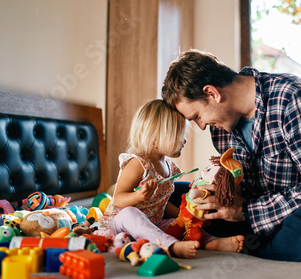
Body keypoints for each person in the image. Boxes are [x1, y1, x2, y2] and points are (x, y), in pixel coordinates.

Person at [161, 49, 301, 262]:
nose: (202, 125)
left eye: (197, 116)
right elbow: (241, 187)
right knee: (168, 194)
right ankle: (256, 243)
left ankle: (248, 247)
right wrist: (223, 194)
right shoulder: (221, 127)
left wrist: (245, 211)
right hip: (259, 215)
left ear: (212, 93)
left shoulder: (294, 98)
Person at [98, 99, 244, 259]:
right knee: (130, 213)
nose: (185, 140)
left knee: (181, 224)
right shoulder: (137, 164)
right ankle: (171, 246)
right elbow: (118, 199)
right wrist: (138, 197)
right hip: (120, 225)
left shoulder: (170, 168)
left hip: (152, 225)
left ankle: (210, 242)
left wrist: (183, 215)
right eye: (179, 135)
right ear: (154, 138)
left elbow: (161, 203)